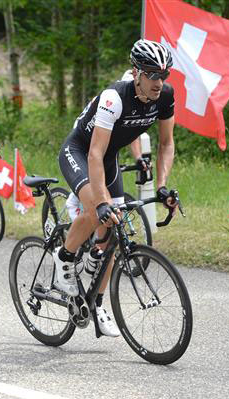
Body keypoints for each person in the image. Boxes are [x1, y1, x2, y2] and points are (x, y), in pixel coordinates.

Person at [55, 39, 179, 336]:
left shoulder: (165, 96)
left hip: (107, 157)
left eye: (164, 76)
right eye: (151, 74)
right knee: (98, 212)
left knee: (115, 225)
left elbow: (166, 144)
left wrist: (161, 186)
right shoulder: (115, 97)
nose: (159, 82)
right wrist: (100, 201)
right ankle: (64, 259)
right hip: (80, 151)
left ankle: (97, 303)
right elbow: (94, 152)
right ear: (136, 72)